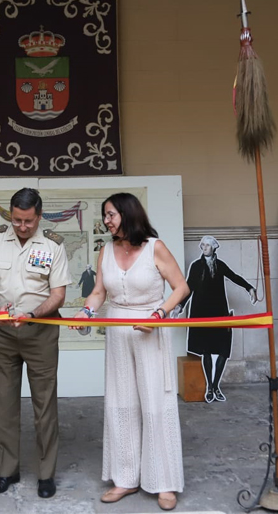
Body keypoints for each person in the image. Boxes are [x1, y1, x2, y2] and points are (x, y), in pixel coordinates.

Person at [71, 192, 189, 512]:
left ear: (127, 213)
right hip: (118, 332)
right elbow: (98, 292)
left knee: (155, 405)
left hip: (151, 330)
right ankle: (125, 478)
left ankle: (164, 481)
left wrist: (160, 314)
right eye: (105, 215)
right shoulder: (106, 250)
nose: (106, 221)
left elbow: (181, 287)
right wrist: (86, 312)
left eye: (111, 214)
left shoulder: (155, 247)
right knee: (122, 405)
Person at [0, 188, 70, 499]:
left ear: (39, 216)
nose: (22, 226)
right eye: (16, 220)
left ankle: (46, 474)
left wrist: (30, 313)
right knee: (4, 405)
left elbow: (58, 295)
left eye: (28, 221)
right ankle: (7, 470)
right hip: (1, 333)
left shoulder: (53, 246)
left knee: (44, 406)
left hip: (40, 332)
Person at [182, 236, 256, 403]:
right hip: (202, 313)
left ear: (214, 248)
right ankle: (210, 387)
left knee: (223, 349)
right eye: (203, 245)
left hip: (219, 312)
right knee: (206, 350)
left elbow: (234, 276)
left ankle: (216, 386)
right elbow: (189, 287)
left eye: (208, 245)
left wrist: (249, 288)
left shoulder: (220, 265)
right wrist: (180, 306)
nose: (205, 248)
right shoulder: (196, 266)